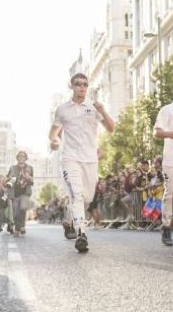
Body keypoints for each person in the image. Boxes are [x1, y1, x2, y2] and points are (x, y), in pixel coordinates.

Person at [49, 72, 114, 252]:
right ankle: (81, 234)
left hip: (90, 159)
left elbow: (111, 128)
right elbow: (53, 133)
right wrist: (54, 141)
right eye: (78, 84)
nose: (81, 87)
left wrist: (103, 111)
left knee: (87, 197)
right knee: (77, 195)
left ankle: (70, 221)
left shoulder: (94, 107)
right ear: (72, 86)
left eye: (85, 84)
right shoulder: (62, 109)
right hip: (70, 158)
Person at [153, 78, 173, 246]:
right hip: (171, 158)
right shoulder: (167, 110)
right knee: (170, 193)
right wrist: (172, 134)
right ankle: (166, 226)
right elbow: (156, 132)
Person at [7, 151, 33, 237]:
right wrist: (11, 178)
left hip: (25, 192)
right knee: (15, 212)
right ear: (17, 158)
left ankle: (18, 229)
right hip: (15, 192)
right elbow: (9, 178)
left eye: (23, 156)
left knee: (22, 210)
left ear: (26, 158)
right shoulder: (12, 168)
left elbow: (32, 180)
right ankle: (20, 227)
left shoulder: (30, 168)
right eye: (20, 156)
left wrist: (28, 177)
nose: (21, 158)